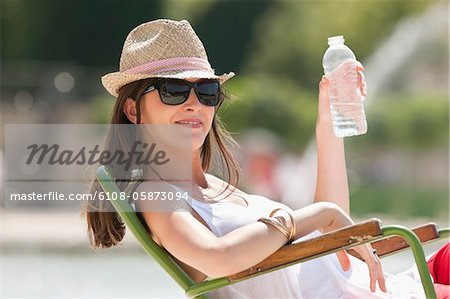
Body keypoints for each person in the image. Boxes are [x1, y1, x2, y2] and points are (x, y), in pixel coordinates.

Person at [85, 19, 449, 298]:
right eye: (174, 89)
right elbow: (219, 258)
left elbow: (336, 240)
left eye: (206, 90)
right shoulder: (156, 194)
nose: (193, 103)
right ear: (133, 109)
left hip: (381, 286)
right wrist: (310, 216)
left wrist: (327, 122)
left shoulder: (218, 189)